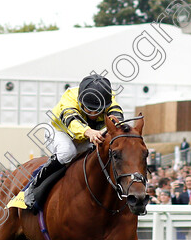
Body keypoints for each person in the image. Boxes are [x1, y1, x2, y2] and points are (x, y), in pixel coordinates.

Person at [23, 75, 123, 209]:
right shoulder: (69, 98)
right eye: (89, 109)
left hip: (87, 135)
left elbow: (117, 116)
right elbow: (72, 121)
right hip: (60, 131)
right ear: (81, 101)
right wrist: (90, 132)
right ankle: (34, 186)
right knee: (67, 152)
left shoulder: (108, 97)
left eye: (97, 110)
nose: (93, 113)